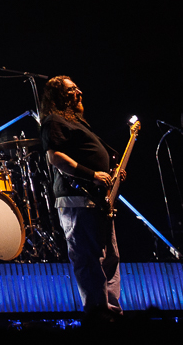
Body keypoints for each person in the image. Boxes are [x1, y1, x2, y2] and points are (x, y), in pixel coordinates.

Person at [40, 75, 123, 321]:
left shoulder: (77, 123)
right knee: (88, 259)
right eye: (72, 90)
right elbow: (55, 157)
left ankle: (112, 313)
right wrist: (91, 175)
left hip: (98, 201)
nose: (79, 93)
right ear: (58, 96)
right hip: (78, 199)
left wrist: (112, 175)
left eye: (77, 88)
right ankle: (98, 316)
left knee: (109, 257)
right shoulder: (54, 121)